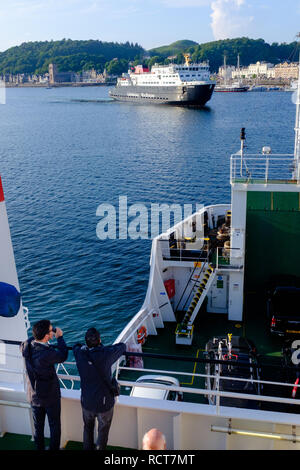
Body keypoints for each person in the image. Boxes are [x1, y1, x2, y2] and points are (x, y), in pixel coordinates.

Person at [73, 327, 126, 450]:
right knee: (103, 431)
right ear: (100, 340)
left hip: (87, 401)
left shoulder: (80, 354)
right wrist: (102, 347)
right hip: (104, 404)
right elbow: (122, 346)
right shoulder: (106, 354)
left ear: (86, 343)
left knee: (87, 428)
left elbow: (76, 346)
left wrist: (84, 347)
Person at [20, 319, 68, 451]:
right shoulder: (47, 353)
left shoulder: (26, 346)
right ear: (46, 336)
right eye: (51, 331)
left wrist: (38, 335)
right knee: (54, 426)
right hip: (50, 397)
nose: (53, 332)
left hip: (34, 395)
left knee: (38, 426)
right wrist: (60, 337)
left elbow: (29, 341)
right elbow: (63, 356)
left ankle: (39, 448)